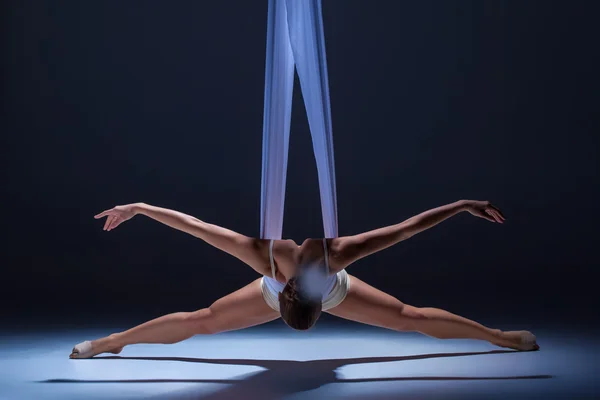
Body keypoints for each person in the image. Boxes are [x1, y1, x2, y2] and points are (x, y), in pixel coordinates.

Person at [70, 199, 538, 359]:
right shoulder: (301, 261)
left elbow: (409, 228)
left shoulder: (311, 265)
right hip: (288, 291)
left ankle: (499, 338)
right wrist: (141, 209)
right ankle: (113, 342)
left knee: (407, 317)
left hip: (313, 291)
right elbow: (408, 228)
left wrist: (140, 207)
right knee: (201, 320)